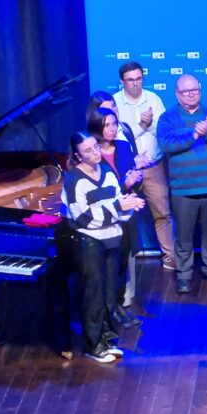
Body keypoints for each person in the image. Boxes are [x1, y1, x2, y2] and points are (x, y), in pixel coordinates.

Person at [62, 132, 145, 363]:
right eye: (88, 150)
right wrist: (117, 206)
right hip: (90, 243)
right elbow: (84, 218)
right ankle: (93, 344)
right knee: (94, 294)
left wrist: (128, 205)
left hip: (112, 239)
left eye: (96, 147)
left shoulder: (107, 172)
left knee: (110, 292)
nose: (95, 152)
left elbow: (118, 205)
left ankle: (107, 338)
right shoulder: (74, 180)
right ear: (78, 156)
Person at [157, 74, 207, 294]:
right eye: (186, 91)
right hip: (183, 188)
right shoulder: (168, 117)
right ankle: (184, 275)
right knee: (184, 236)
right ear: (177, 94)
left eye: (195, 90)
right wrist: (193, 135)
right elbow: (166, 144)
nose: (191, 94)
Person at [112, 61, 176, 270]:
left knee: (163, 213)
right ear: (122, 81)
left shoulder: (153, 99)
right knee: (121, 213)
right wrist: (142, 125)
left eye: (139, 79)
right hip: (125, 169)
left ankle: (169, 256)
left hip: (154, 167)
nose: (135, 83)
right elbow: (117, 135)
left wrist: (147, 125)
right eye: (130, 80)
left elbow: (164, 130)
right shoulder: (114, 103)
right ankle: (120, 261)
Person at [87, 107, 143, 323]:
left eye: (114, 124)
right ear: (97, 127)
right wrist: (124, 183)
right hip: (105, 217)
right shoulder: (91, 153)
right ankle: (105, 310)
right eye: (107, 125)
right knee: (106, 266)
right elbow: (97, 190)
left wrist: (135, 178)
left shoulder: (123, 146)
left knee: (121, 263)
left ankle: (117, 307)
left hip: (126, 214)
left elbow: (132, 180)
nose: (112, 129)